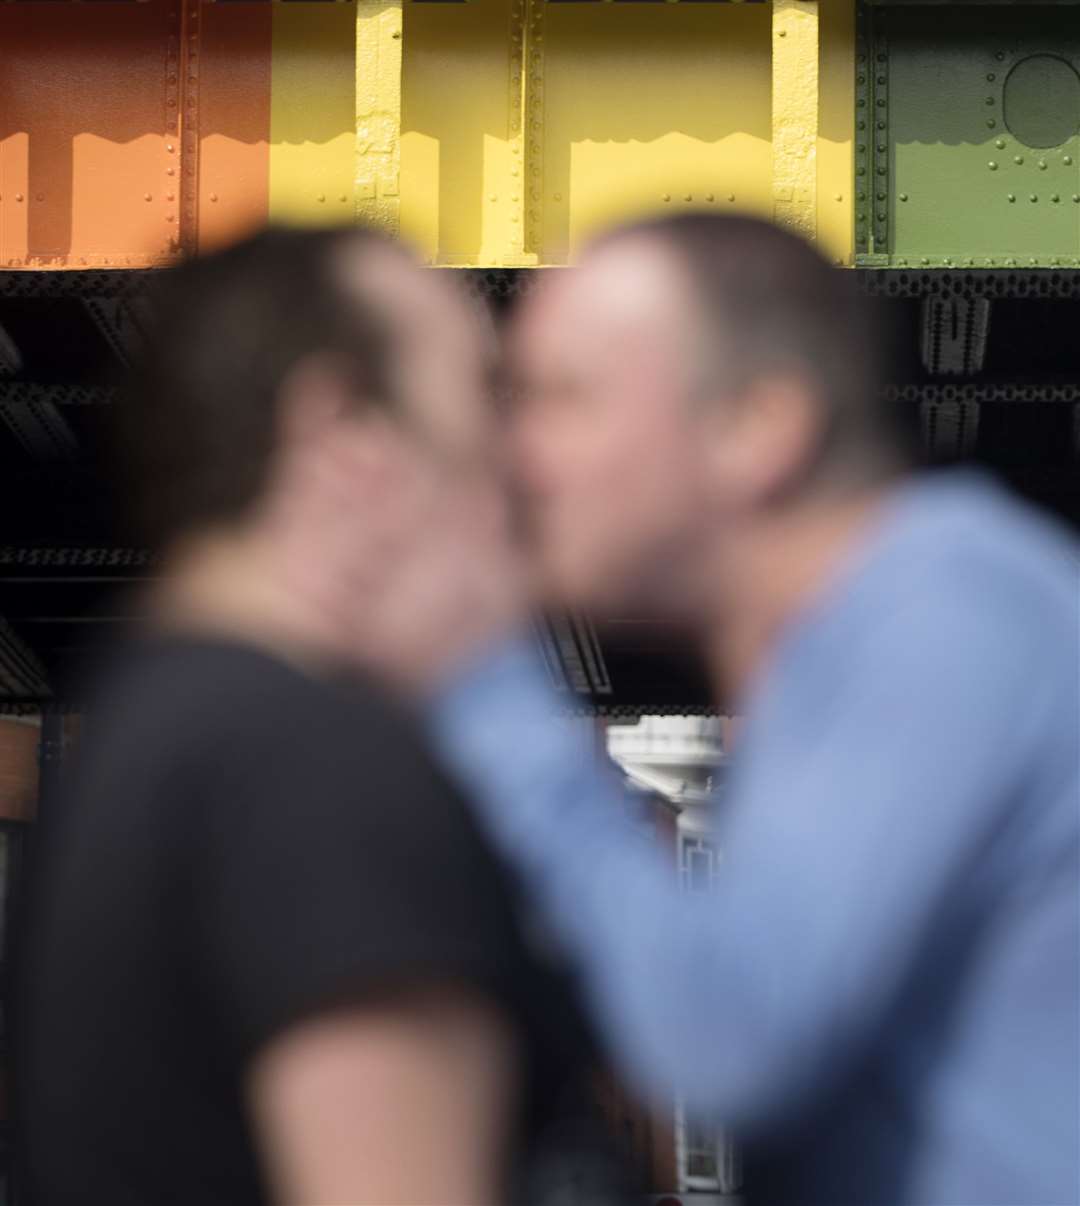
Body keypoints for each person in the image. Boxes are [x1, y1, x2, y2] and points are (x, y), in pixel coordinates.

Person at [338, 215, 1080, 1206]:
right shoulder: (853, 654)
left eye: (560, 398)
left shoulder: (946, 608)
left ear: (758, 427)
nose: (516, 457)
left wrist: (481, 671)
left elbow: (725, 1041)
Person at [13, 228, 632, 1206]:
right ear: (341, 426)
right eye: (481, 393)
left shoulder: (146, 730)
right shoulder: (317, 767)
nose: (520, 460)